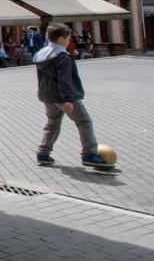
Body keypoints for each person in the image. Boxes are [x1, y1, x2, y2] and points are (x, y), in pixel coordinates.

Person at [34, 23, 112, 168]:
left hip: (48, 96)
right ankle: (89, 154)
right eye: (68, 37)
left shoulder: (41, 54)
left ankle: (43, 153)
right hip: (64, 97)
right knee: (84, 122)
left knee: (52, 124)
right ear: (62, 38)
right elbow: (65, 80)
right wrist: (68, 100)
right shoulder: (62, 56)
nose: (70, 40)